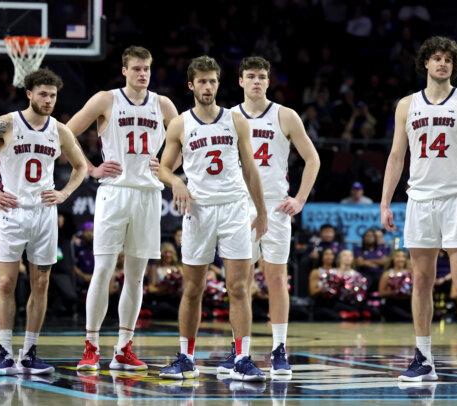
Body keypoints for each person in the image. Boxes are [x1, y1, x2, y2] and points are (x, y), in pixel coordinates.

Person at [0, 68, 87, 375]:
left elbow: (81, 167)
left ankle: (29, 353)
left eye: (53, 95)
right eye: (43, 94)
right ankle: (3, 352)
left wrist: (65, 193)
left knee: (41, 284)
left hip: (44, 215)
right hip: (11, 212)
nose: (48, 100)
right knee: (6, 282)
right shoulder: (6, 123)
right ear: (29, 94)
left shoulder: (60, 130)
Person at [381, 36, 457, 385]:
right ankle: (423, 358)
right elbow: (397, 157)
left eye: (447, 59)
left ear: (453, 66)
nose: (442, 63)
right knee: (422, 281)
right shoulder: (406, 105)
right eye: (436, 58)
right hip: (420, 200)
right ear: (426, 64)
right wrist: (385, 201)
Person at [67, 46, 179, 371]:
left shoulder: (164, 104)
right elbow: (65, 133)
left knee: (136, 277)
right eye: (137, 68)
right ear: (125, 70)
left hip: (147, 194)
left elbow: (185, 140)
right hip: (114, 192)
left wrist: (169, 166)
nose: (143, 73)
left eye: (147, 68)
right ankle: (91, 347)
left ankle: (123, 349)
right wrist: (90, 168)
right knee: (103, 271)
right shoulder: (106, 99)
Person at [157, 56, 268, 381]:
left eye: (213, 81)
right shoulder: (180, 123)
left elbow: (250, 168)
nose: (208, 87)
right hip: (199, 210)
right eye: (202, 81)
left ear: (220, 84)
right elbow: (164, 166)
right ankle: (185, 357)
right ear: (191, 85)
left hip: (234, 208)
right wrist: (177, 181)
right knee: (193, 288)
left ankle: (243, 358)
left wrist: (260, 211)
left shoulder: (235, 120)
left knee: (238, 287)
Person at [216, 56, 320, 376]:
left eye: (262, 76)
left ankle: (278, 349)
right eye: (251, 76)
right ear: (241, 81)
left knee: (276, 278)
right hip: (239, 204)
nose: (257, 81)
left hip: (275, 204)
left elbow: (313, 159)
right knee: (239, 281)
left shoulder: (285, 116)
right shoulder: (229, 116)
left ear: (268, 81)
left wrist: (300, 199)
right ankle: (239, 352)